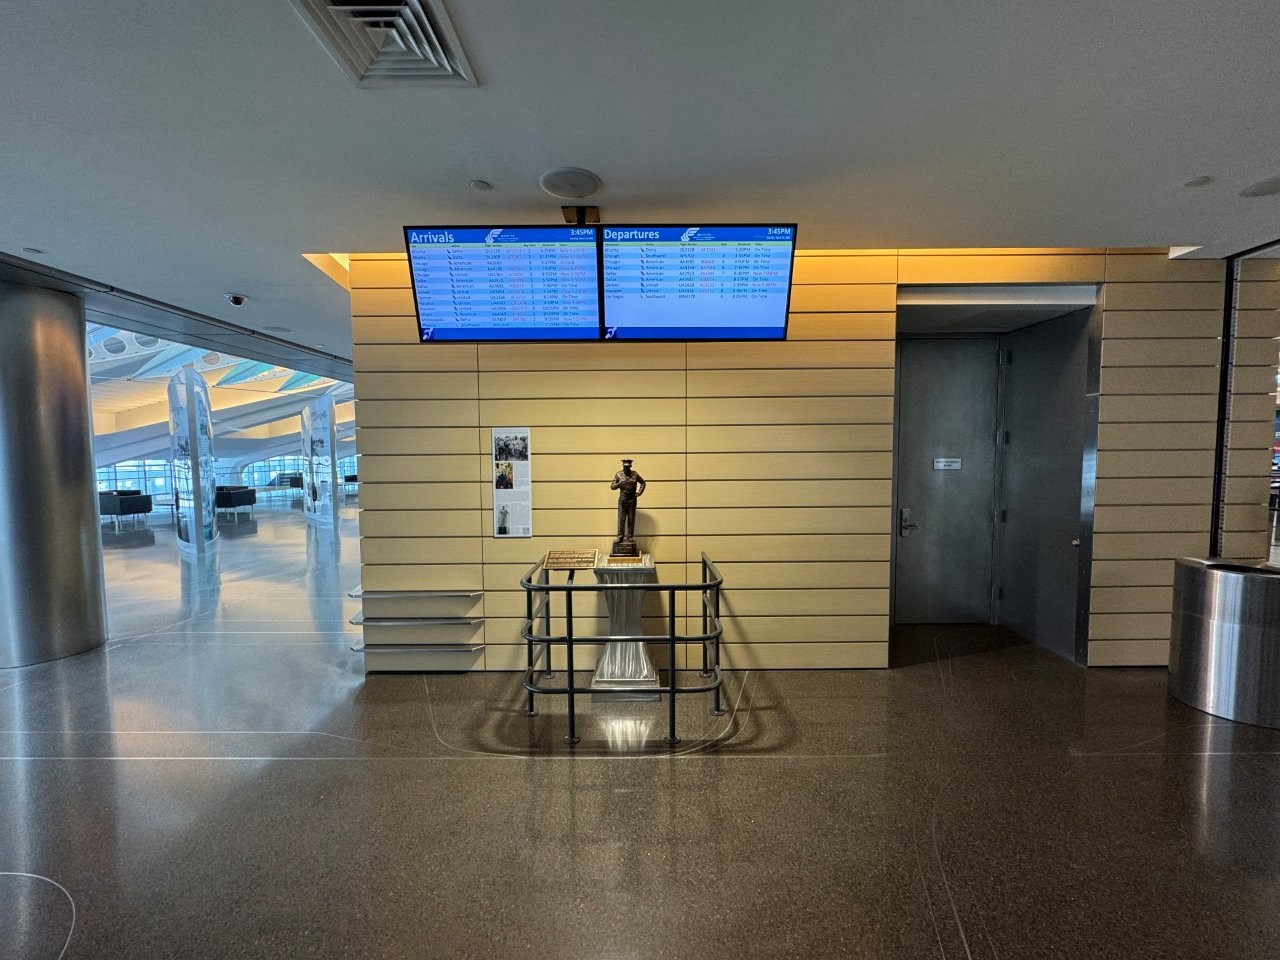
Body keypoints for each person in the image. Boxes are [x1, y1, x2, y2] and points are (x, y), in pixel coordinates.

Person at [610, 459, 646, 541]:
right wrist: (619, 484)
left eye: (628, 467)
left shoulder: (635, 474)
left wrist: (639, 493)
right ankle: (620, 536)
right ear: (623, 466)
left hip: (632, 499)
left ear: (630, 466)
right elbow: (612, 486)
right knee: (621, 518)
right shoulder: (618, 474)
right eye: (625, 467)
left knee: (631, 518)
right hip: (623, 499)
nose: (626, 468)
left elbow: (643, 482)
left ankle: (630, 536)